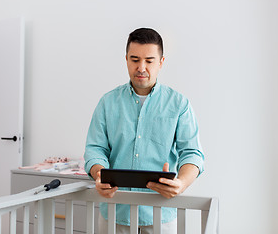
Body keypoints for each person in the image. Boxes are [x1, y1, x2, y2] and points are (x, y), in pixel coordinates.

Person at [84, 27, 204, 233]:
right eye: (134, 59)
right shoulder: (107, 102)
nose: (141, 67)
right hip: (114, 212)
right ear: (126, 59)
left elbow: (193, 153)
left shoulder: (179, 104)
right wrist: (99, 175)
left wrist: (181, 184)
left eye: (149, 61)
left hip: (160, 213)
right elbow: (95, 149)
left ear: (161, 62)